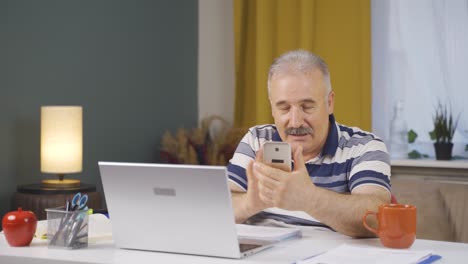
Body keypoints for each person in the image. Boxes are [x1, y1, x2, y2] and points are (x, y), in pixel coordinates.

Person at [227, 50, 391, 238]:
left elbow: (377, 217)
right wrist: (249, 203)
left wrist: (308, 198)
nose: (296, 122)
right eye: (284, 108)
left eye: (307, 107)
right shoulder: (257, 140)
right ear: (272, 107)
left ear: (329, 103)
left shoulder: (365, 147)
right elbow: (216, 206)